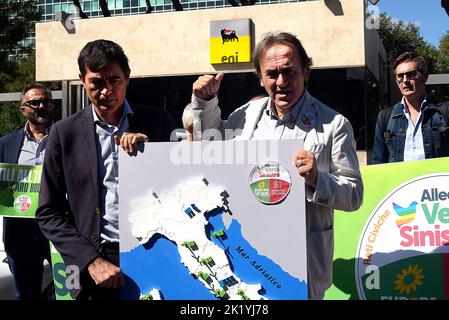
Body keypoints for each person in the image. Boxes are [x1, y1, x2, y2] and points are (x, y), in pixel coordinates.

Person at [189, 32, 363, 300]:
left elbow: (354, 195)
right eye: (272, 74)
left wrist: (318, 179)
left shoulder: (334, 124)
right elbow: (209, 150)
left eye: (289, 72)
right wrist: (205, 102)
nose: (281, 82)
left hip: (301, 263)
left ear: (306, 72)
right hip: (247, 254)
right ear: (260, 77)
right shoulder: (244, 116)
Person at [36, 39, 175, 300]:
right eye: (96, 83)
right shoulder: (64, 133)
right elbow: (48, 212)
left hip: (155, 252)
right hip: (94, 265)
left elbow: (178, 186)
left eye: (114, 80)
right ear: (82, 80)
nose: (106, 91)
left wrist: (154, 155)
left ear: (127, 77)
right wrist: (90, 261)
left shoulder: (159, 122)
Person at [0, 83, 54, 300]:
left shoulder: (67, 136)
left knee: (69, 292)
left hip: (58, 230)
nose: (41, 106)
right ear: (23, 109)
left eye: (45, 101)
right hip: (19, 233)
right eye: (34, 102)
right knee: (26, 295)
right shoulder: (6, 143)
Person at [372, 51, 449, 164]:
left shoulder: (444, 112)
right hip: (401, 182)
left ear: (425, 77)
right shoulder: (385, 117)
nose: (405, 80)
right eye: (400, 76)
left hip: (436, 181)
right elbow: (378, 162)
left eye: (411, 74)